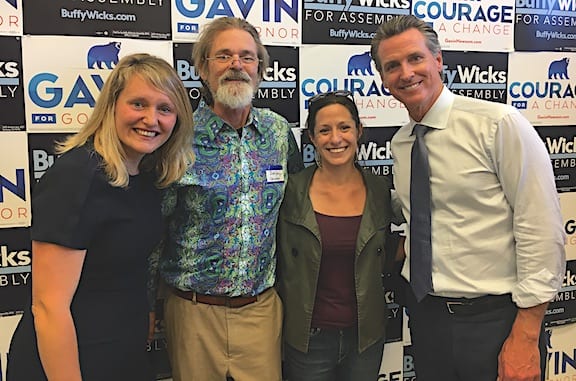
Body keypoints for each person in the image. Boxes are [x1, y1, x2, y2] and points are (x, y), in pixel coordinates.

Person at [370, 15, 566, 381]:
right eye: (391, 66)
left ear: (438, 60)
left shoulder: (498, 125)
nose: (405, 73)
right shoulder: (402, 143)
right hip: (427, 320)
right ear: (383, 79)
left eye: (415, 58)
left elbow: (541, 228)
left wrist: (526, 334)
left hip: (497, 323)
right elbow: (421, 215)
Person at [7, 53, 195, 381]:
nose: (151, 119)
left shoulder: (146, 175)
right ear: (111, 106)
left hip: (122, 355)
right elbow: (49, 307)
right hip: (68, 363)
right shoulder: (78, 176)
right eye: (138, 104)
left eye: (164, 109)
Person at [150, 17, 303, 381]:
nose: (237, 64)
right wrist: (145, 305)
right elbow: (154, 230)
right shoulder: (178, 138)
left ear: (261, 70)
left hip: (261, 311)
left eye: (247, 57)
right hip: (193, 312)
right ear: (203, 68)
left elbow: (296, 216)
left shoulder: (279, 133)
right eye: (224, 56)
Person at [276, 90, 400, 381]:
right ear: (311, 138)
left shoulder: (380, 191)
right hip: (309, 339)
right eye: (324, 130)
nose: (335, 139)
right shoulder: (290, 191)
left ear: (359, 131)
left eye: (344, 127)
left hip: (365, 339)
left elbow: (382, 251)